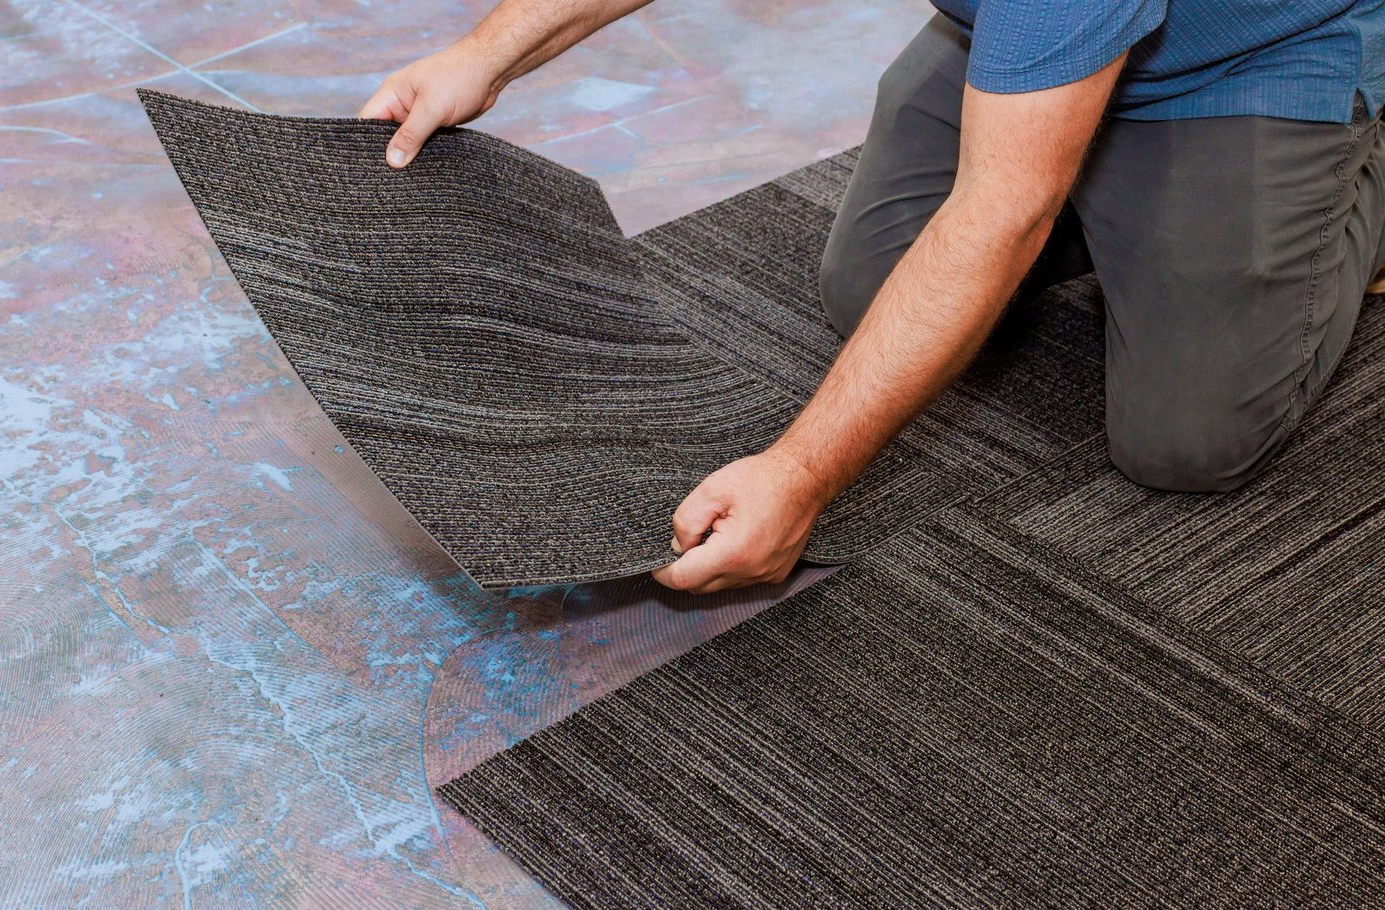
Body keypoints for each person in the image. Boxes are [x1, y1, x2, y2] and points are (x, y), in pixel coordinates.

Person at [360, 0, 1385, 594]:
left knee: (1185, 440)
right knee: (871, 288)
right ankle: (1064, 128)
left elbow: (1001, 214)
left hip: (1253, 56)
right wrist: (481, 56)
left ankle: (1361, 163)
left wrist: (801, 477)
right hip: (1030, 32)